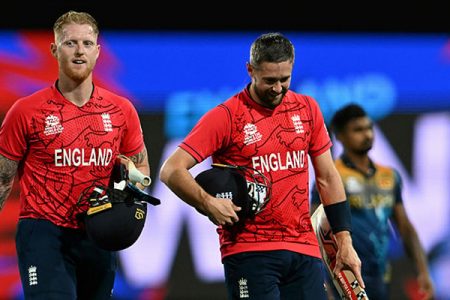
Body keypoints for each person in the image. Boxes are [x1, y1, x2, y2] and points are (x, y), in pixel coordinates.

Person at [159, 32, 364, 300]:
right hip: (248, 250)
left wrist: (344, 241)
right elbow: (171, 170)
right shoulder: (226, 117)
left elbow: (327, 177)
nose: (278, 88)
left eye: (284, 79)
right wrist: (207, 202)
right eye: (269, 80)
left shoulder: (307, 109)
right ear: (250, 70)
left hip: (303, 248)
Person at [0, 11, 150, 299]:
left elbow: (141, 167)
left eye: (86, 43)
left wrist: (131, 186)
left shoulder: (122, 110)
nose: (79, 50)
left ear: (97, 51)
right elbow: (3, 180)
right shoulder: (26, 111)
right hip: (43, 233)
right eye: (70, 43)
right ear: (55, 49)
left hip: (98, 231)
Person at [311, 103, 434, 300]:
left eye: (369, 128)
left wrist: (423, 271)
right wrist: (322, 283)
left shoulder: (389, 176)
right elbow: (315, 230)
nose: (367, 134)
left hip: (381, 275)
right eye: (358, 130)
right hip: (344, 278)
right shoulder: (331, 178)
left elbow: (405, 228)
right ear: (340, 135)